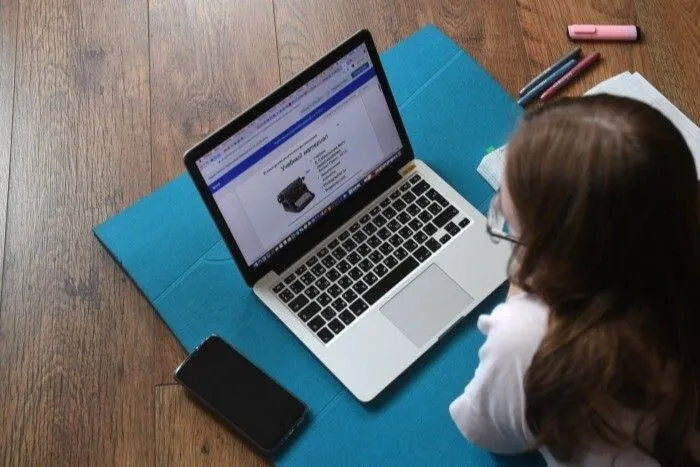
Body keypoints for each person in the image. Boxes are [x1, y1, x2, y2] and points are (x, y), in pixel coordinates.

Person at [449, 95, 700, 466]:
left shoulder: (528, 341)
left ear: (563, 262)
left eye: (511, 229)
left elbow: (482, 428)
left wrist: (520, 293)